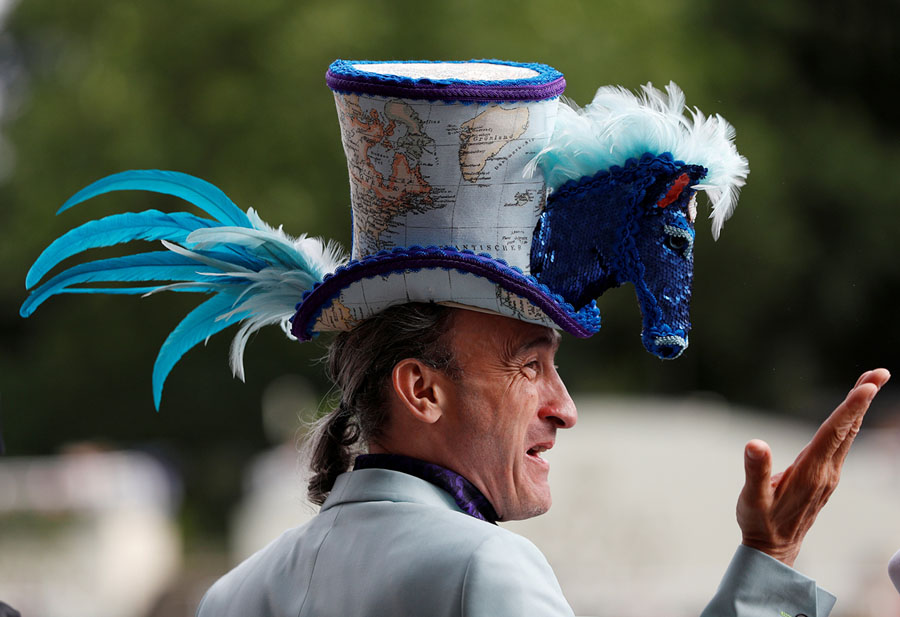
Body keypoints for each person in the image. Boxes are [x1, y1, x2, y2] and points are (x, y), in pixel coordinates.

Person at [21, 60, 888, 615]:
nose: (564, 407)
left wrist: (765, 558)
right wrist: (768, 566)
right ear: (420, 388)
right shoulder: (484, 572)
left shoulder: (233, 595)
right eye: (530, 365)